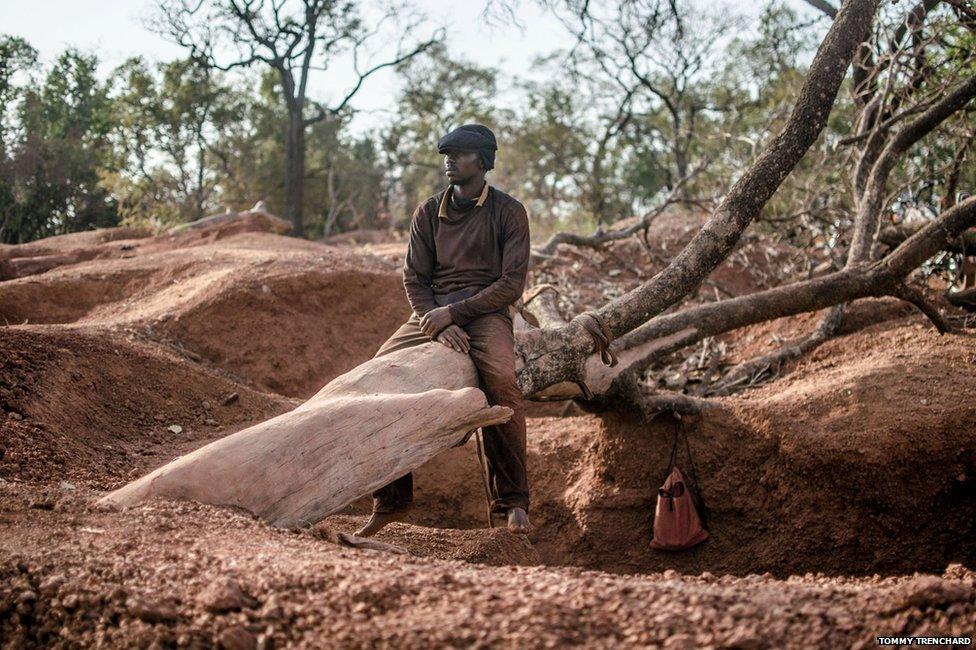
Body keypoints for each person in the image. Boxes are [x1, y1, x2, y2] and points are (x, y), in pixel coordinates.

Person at [355, 124, 532, 537]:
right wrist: (436, 321)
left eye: (460, 153)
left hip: (487, 313)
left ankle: (513, 502)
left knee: (503, 383)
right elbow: (414, 279)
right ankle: (392, 497)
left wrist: (455, 313)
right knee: (378, 373)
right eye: (447, 154)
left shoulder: (509, 211)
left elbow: (511, 285)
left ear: (483, 162)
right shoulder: (427, 212)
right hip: (433, 313)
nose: (450, 160)